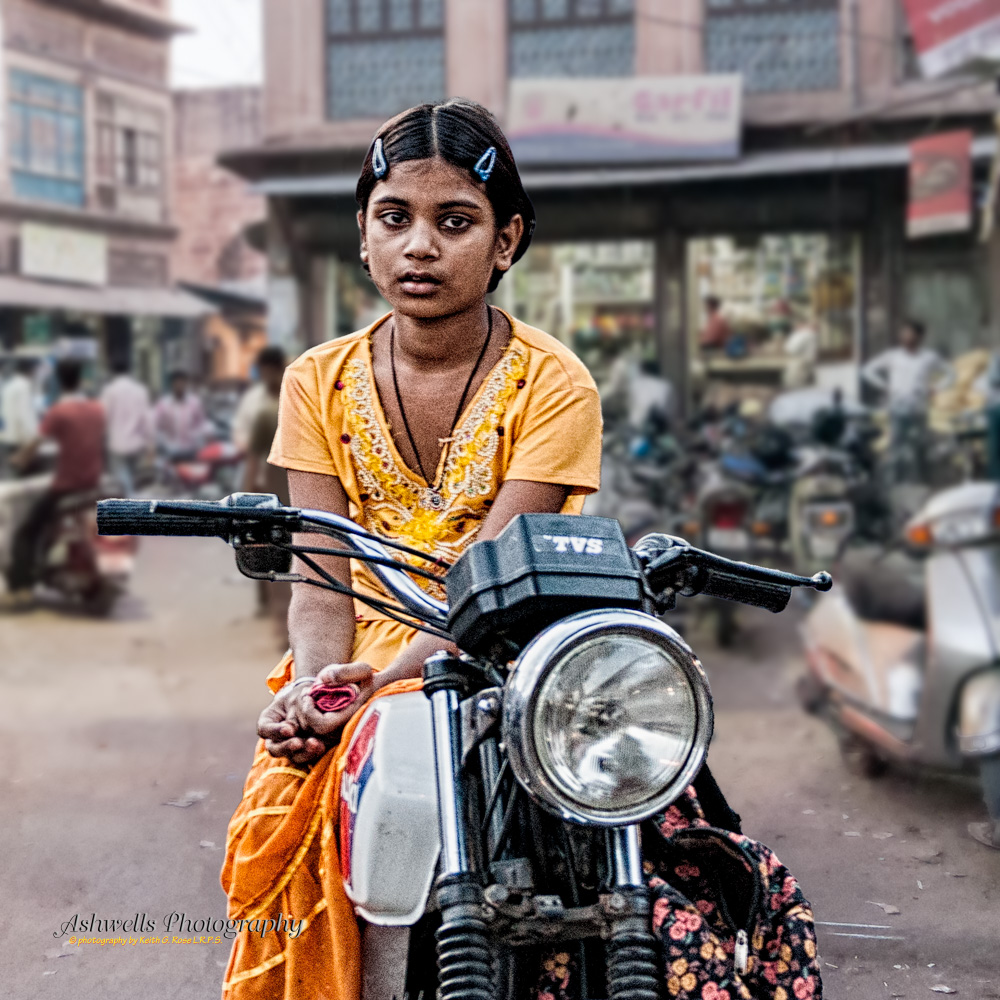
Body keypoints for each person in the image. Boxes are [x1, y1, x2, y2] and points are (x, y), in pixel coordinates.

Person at [219, 99, 606, 1000]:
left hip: (506, 660)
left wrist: (383, 688)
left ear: (505, 241)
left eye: (455, 222)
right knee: (273, 824)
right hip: (350, 665)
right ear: (363, 234)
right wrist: (321, 688)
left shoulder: (556, 384)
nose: (419, 247)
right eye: (394, 218)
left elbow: (497, 578)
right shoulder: (314, 380)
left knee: (627, 843)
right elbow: (322, 577)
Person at [1, 358, 105, 609]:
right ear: (81, 379)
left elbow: (36, 442)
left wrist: (20, 458)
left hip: (66, 485)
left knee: (25, 531)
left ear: (58, 381)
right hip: (93, 483)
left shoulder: (58, 412)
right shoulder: (97, 409)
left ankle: (21, 588)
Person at [861, 319, 953, 483]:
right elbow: (867, 370)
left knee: (919, 444)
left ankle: (920, 481)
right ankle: (895, 482)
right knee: (896, 444)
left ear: (919, 337)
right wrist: (884, 386)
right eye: (903, 333)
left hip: (918, 407)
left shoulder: (928, 357)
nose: (905, 337)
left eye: (910, 333)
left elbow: (951, 375)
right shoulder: (892, 356)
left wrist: (935, 388)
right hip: (897, 406)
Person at [240, 345, 289, 631]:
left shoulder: (304, 402)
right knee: (276, 554)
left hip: (303, 494)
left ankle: (284, 618)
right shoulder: (262, 411)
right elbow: (252, 459)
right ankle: (280, 618)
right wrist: (247, 498)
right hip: (273, 493)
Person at [100, 358, 153, 496]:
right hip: (136, 443)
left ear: (113, 371)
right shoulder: (140, 390)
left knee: (123, 484)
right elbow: (147, 419)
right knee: (132, 479)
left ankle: (131, 509)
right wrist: (150, 443)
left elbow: (103, 417)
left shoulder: (109, 391)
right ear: (129, 370)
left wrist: (102, 437)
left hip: (117, 444)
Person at [154, 370, 207, 460]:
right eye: (176, 383)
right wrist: (163, 443)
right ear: (172, 384)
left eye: (182, 382)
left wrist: (198, 438)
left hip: (191, 450)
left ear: (186, 384)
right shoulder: (163, 404)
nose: (179, 386)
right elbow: (156, 426)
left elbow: (201, 424)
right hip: (170, 451)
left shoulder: (194, 403)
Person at [1, 357, 39, 475]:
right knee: (21, 478)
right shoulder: (24, 386)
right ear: (31, 370)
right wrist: (32, 440)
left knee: (9, 476)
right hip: (19, 442)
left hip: (7, 437)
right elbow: (24, 416)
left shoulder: (10, 385)